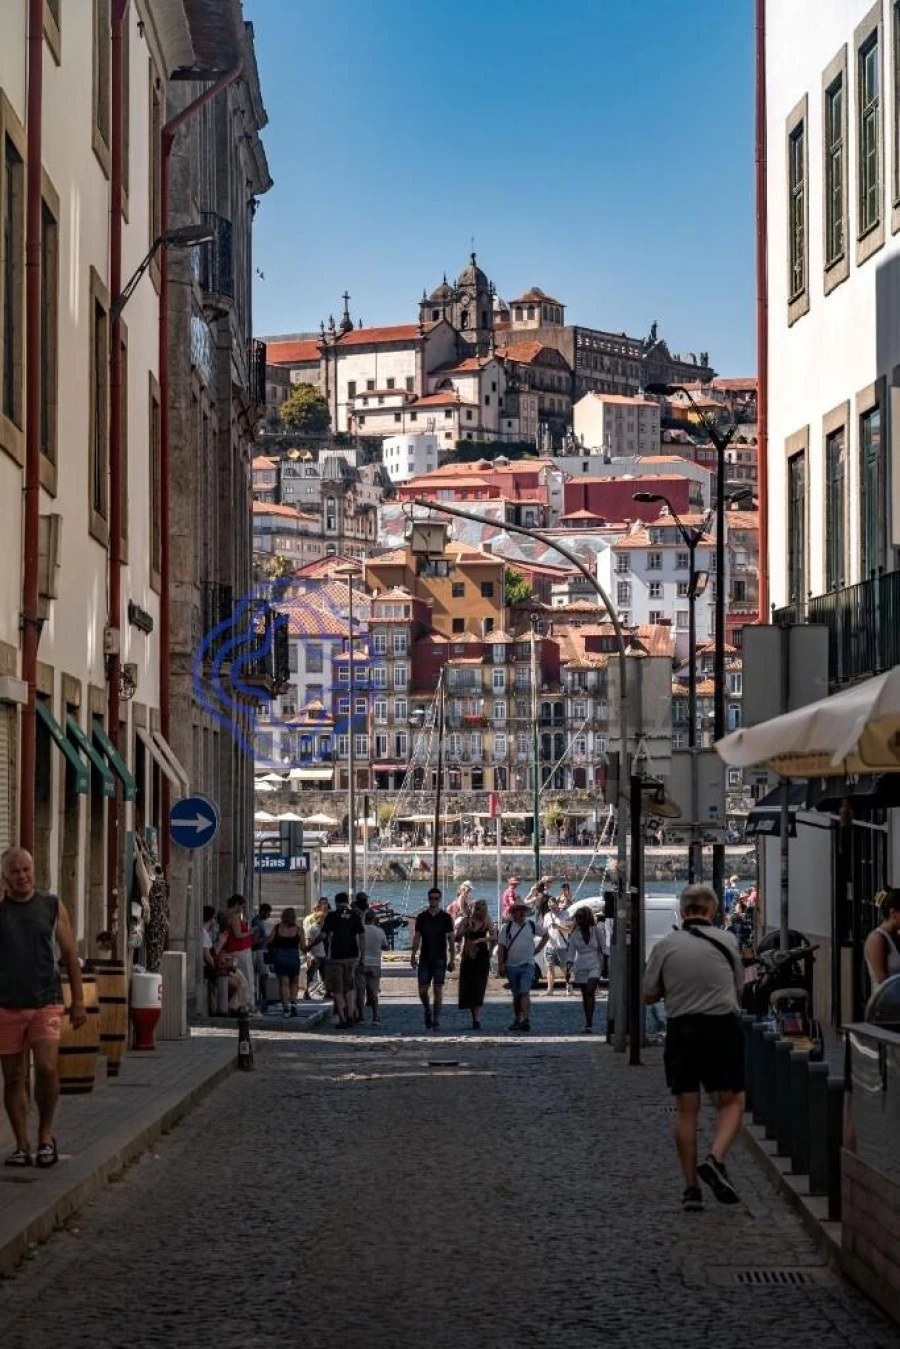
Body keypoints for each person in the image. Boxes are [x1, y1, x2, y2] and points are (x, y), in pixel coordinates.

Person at [643, 883, 745, 1211]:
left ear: (683, 911)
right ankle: (715, 1157)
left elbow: (647, 994)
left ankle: (691, 1190)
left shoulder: (666, 946)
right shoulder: (729, 941)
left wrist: (673, 990)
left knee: (687, 1108)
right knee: (733, 1101)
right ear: (713, 911)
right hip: (721, 1028)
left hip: (682, 1030)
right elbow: (739, 989)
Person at [0, 848, 85, 1168]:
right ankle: (21, 1144)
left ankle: (46, 1136)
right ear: (4, 877)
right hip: (6, 1004)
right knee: (13, 1077)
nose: (22, 876)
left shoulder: (50, 905)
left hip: (46, 1001)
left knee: (47, 1068)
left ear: (34, 871)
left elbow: (69, 952)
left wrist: (78, 1002)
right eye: (14, 871)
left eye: (26, 870)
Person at [497, 898, 549, 1034]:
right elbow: (501, 947)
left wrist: (538, 949)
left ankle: (525, 1020)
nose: (521, 913)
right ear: (513, 912)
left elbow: (546, 935)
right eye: (518, 910)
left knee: (524, 992)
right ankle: (517, 1018)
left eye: (523, 911)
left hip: (528, 964)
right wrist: (501, 964)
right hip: (511, 966)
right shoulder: (506, 928)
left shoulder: (531, 925)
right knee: (516, 995)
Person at [411, 888, 455, 1031]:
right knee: (422, 990)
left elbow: (451, 939)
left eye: (436, 898)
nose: (433, 900)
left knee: (438, 989)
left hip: (440, 958)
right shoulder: (422, 917)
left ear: (440, 899)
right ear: (428, 899)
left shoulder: (446, 917)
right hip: (425, 958)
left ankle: (436, 1019)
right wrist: (413, 955)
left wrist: (452, 958)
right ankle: (427, 1010)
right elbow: (417, 937)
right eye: (431, 898)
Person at [320, 892, 364, 1028]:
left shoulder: (331, 916)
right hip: (352, 956)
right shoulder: (355, 916)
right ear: (347, 901)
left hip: (336, 957)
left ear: (336, 902)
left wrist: (310, 945)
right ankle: (351, 1015)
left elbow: (323, 935)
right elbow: (362, 935)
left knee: (338, 991)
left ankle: (343, 1018)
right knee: (349, 988)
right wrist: (362, 954)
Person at [456, 899, 496, 1030]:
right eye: (474, 908)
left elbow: (494, 937)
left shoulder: (486, 920)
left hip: (481, 955)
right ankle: (475, 1017)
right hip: (468, 955)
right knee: (469, 986)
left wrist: (481, 939)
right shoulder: (465, 920)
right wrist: (465, 930)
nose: (475, 911)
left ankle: (476, 1018)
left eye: (478, 909)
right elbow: (456, 937)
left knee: (479, 986)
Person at [566, 906, 605, 1033]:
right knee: (585, 996)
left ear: (587, 918)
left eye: (581, 917)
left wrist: (606, 965)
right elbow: (570, 953)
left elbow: (604, 948)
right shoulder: (574, 934)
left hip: (595, 964)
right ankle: (589, 1022)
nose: (578, 920)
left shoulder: (596, 930)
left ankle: (589, 1021)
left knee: (589, 991)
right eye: (577, 917)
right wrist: (568, 967)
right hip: (581, 966)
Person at [215, 895, 254, 1010]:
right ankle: (248, 1004)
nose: (242, 909)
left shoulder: (224, 915)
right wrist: (250, 932)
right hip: (240, 950)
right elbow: (238, 935)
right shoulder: (233, 917)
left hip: (232, 949)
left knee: (240, 978)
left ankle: (241, 1004)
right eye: (241, 906)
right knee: (247, 978)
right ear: (236, 905)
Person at [267, 908, 306, 1017]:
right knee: (294, 982)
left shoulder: (277, 927)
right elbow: (303, 947)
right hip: (293, 958)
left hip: (280, 957)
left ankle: (286, 1009)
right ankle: (293, 1005)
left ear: (283, 916)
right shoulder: (299, 930)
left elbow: (269, 941)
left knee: (284, 984)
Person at [864, 889, 900, 993]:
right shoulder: (877, 939)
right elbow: (882, 980)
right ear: (893, 913)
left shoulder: (897, 936)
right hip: (886, 1003)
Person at [542, 894, 572, 996]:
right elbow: (544, 930)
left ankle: (568, 987)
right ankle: (550, 990)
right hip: (550, 945)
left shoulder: (565, 914)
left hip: (562, 946)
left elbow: (570, 930)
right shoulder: (547, 916)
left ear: (557, 904)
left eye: (553, 904)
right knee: (550, 968)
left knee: (564, 969)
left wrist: (559, 927)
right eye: (550, 905)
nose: (552, 907)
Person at [362, 910, 388, 1024]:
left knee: (360, 991)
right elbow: (386, 946)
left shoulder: (361, 930)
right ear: (374, 919)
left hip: (362, 963)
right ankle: (375, 1015)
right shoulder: (380, 931)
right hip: (375, 964)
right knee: (373, 992)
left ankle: (360, 1015)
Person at [251, 902, 276, 1010]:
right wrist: (268, 938)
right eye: (268, 913)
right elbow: (255, 940)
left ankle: (261, 998)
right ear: (263, 911)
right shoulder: (257, 922)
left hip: (261, 950)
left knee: (262, 976)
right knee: (263, 976)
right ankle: (264, 999)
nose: (269, 915)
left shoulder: (259, 922)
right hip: (259, 951)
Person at [303, 898, 329, 998]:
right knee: (310, 975)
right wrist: (310, 954)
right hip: (315, 954)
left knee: (324, 975)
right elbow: (308, 941)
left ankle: (327, 992)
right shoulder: (312, 925)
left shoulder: (324, 927)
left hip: (323, 953)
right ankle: (306, 992)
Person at [352, 892, 370, 1023]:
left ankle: (354, 1011)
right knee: (359, 986)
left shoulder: (353, 913)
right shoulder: (362, 914)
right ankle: (360, 1012)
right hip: (358, 953)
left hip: (352, 952)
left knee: (353, 986)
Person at [201, 905, 220, 1015]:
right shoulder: (203, 934)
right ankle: (215, 1008)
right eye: (214, 918)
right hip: (206, 967)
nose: (215, 921)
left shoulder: (205, 933)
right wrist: (214, 966)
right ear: (211, 918)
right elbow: (206, 955)